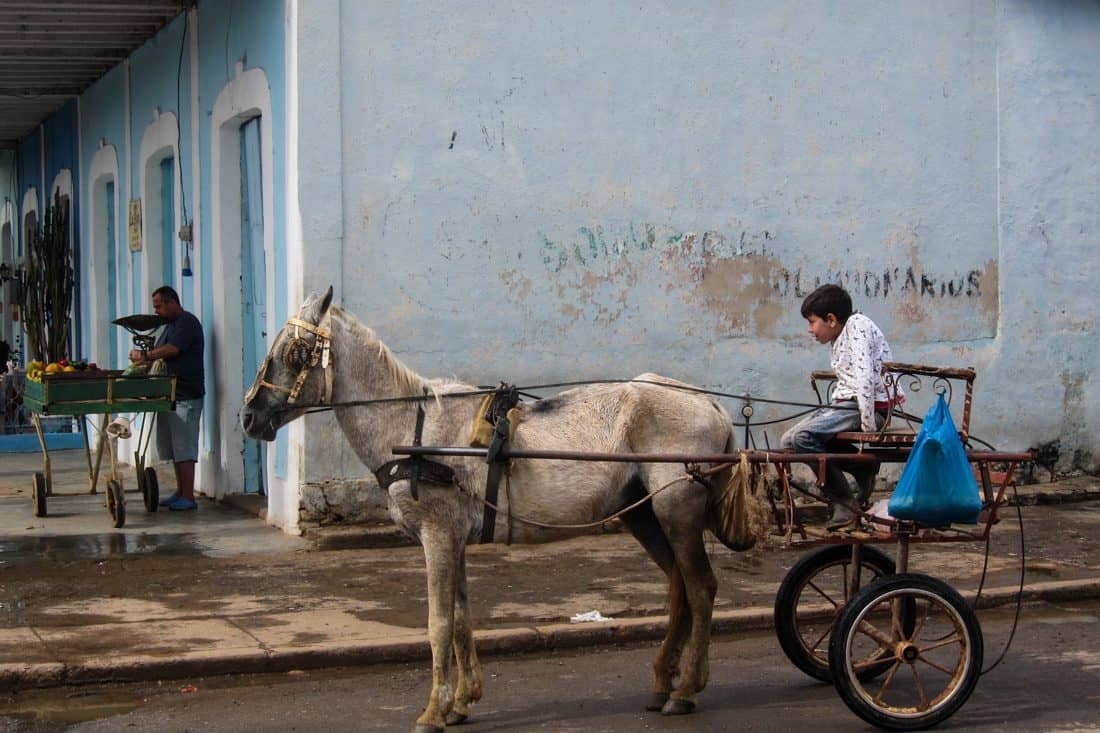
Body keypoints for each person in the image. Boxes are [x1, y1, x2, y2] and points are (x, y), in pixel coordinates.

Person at [780, 284, 903, 529]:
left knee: (802, 437)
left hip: (865, 409)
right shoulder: (842, 335)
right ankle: (862, 467)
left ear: (831, 319)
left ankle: (845, 503)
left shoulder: (857, 327)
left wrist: (869, 427)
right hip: (849, 406)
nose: (810, 330)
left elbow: (865, 377)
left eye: (812, 322)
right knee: (788, 442)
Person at [129, 286, 205, 511]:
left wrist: (145, 355)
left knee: (185, 448)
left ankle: (189, 496)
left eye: (160, 306)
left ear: (173, 303)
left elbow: (171, 350)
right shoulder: (169, 326)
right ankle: (180, 491)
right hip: (170, 395)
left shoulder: (187, 323)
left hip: (186, 395)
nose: (157, 311)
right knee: (174, 448)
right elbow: (160, 350)